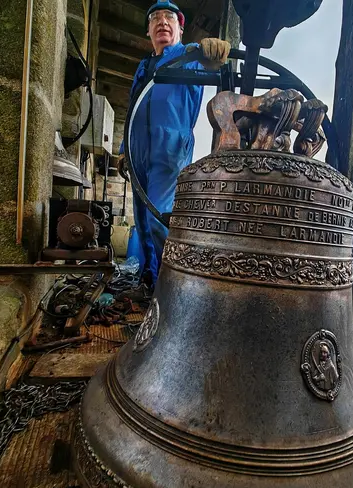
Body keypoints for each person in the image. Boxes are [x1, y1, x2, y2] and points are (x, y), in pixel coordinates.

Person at [118, 0, 230, 291]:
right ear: (149, 33)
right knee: (142, 220)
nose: (162, 22)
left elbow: (212, 60)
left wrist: (213, 50)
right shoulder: (144, 67)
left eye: (169, 17)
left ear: (181, 28)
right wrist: (122, 150)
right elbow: (132, 109)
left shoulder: (188, 55)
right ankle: (150, 282)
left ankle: (173, 287)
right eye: (155, 19)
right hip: (137, 149)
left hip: (170, 146)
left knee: (158, 217)